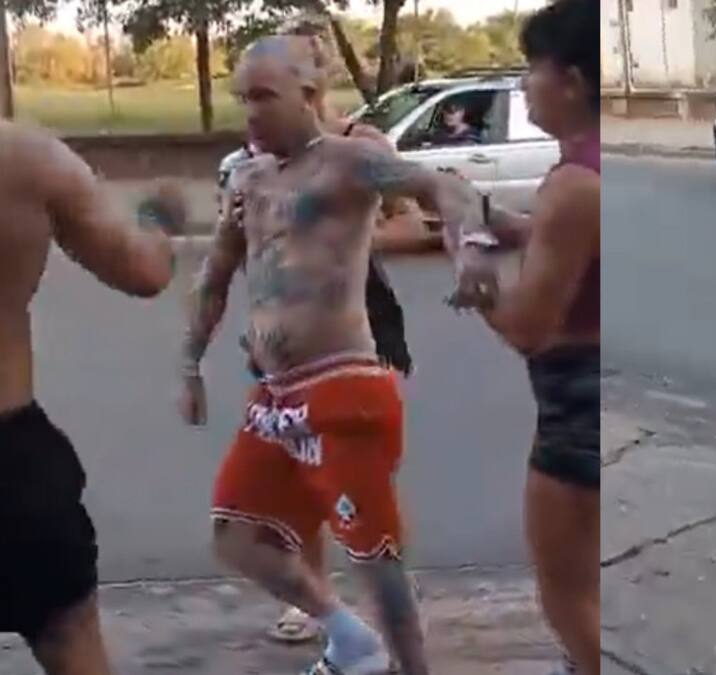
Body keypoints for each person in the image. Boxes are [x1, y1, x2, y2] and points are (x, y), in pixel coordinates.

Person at [181, 35, 485, 675]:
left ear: (310, 95)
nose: (250, 113)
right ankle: (351, 641)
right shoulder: (247, 179)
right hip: (275, 394)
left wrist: (470, 252)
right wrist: (189, 363)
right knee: (236, 535)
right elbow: (214, 276)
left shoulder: (352, 160)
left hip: (341, 382)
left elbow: (444, 189)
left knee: (375, 554)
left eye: (264, 97)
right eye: (242, 98)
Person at [0, 120, 185, 674]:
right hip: (11, 462)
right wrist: (159, 217)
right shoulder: (27, 157)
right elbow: (144, 270)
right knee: (69, 638)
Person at [447, 2, 599, 673]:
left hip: (575, 400)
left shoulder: (574, 184)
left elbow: (528, 328)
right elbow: (569, 241)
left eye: (533, 66)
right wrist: (491, 217)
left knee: (568, 592)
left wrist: (472, 272)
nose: (523, 82)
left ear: (572, 80)